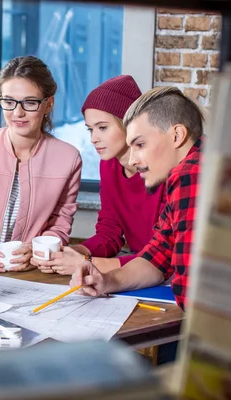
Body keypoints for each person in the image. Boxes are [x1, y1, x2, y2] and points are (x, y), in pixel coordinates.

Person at [71, 86, 204, 311]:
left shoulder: (190, 174)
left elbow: (190, 297)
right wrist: (108, 280)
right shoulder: (184, 172)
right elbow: (158, 254)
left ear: (177, 135)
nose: (132, 160)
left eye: (140, 145)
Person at [33, 75, 165, 275]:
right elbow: (109, 233)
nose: (94, 139)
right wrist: (74, 253)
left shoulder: (162, 171)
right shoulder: (109, 166)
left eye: (103, 128)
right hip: (132, 272)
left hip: (164, 277)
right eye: (90, 129)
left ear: (129, 124)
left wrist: (89, 263)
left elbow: (163, 255)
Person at [0, 56, 82, 272]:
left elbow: (60, 226)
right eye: (8, 102)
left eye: (29, 102)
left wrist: (34, 250)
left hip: (31, 275)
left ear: (48, 104)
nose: (17, 112)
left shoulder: (68, 159)